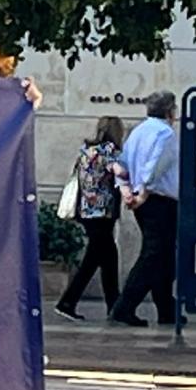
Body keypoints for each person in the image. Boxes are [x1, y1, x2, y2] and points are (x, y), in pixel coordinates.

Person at [110, 90, 180, 327]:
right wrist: (143, 191)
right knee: (154, 255)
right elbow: (157, 165)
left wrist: (126, 190)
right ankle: (125, 306)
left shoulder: (137, 131)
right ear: (170, 111)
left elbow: (121, 165)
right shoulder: (166, 133)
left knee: (163, 256)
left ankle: (166, 309)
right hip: (160, 199)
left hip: (144, 201)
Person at [55, 116, 125, 321]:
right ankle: (68, 302)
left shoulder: (86, 151)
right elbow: (118, 171)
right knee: (96, 260)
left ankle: (114, 305)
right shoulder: (109, 150)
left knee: (106, 258)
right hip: (102, 213)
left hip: (86, 211)